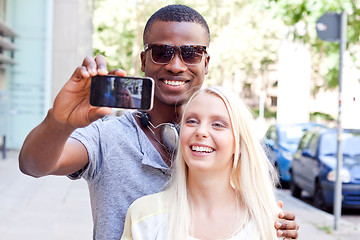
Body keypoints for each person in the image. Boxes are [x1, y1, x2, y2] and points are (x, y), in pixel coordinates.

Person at [18, 4, 299, 239]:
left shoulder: (222, 138)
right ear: (144, 60)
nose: (176, 65)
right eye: (162, 52)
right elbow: (33, 165)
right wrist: (62, 121)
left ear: (206, 63)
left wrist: (269, 223)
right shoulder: (109, 135)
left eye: (191, 53)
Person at [122, 86, 281, 240]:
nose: (201, 131)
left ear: (239, 143)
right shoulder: (144, 215)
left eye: (218, 124)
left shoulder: (266, 221)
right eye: (191, 121)